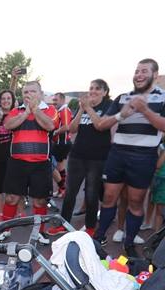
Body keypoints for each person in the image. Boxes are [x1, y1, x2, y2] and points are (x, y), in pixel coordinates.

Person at [92, 59, 165, 257]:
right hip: (118, 153)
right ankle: (97, 240)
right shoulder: (122, 98)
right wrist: (121, 115)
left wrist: (145, 110)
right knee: (108, 197)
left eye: (144, 71)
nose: (139, 75)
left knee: (135, 201)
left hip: (144, 156)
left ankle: (129, 244)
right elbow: (101, 124)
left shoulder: (163, 98)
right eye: (136, 71)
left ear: (155, 75)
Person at [0, 81, 59, 244]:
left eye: (32, 91)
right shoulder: (16, 110)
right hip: (17, 163)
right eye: (25, 92)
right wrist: (25, 113)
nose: (28, 95)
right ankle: (6, 229)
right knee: (11, 198)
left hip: (41, 164)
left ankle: (40, 232)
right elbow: (8, 125)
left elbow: (50, 126)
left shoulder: (50, 110)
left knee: (40, 200)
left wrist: (35, 110)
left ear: (40, 93)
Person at [47, 80, 113, 237]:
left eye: (97, 88)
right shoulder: (84, 106)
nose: (93, 91)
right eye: (91, 88)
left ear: (105, 92)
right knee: (70, 192)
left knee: (91, 193)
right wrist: (81, 110)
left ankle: (90, 227)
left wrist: (89, 108)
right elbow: (73, 128)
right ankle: (64, 224)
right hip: (77, 156)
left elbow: (100, 125)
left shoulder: (109, 106)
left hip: (97, 158)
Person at [0, 89, 16, 224]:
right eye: (3, 99)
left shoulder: (16, 113)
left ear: (12, 101)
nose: (6, 101)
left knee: (14, 187)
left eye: (9, 99)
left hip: (13, 157)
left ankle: (17, 212)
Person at [50, 92, 73, 198]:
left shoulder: (64, 110)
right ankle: (61, 190)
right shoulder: (59, 111)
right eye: (53, 100)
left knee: (55, 167)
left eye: (56, 100)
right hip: (59, 143)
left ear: (63, 100)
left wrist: (53, 133)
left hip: (61, 143)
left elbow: (66, 127)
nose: (54, 102)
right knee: (59, 168)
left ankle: (63, 189)